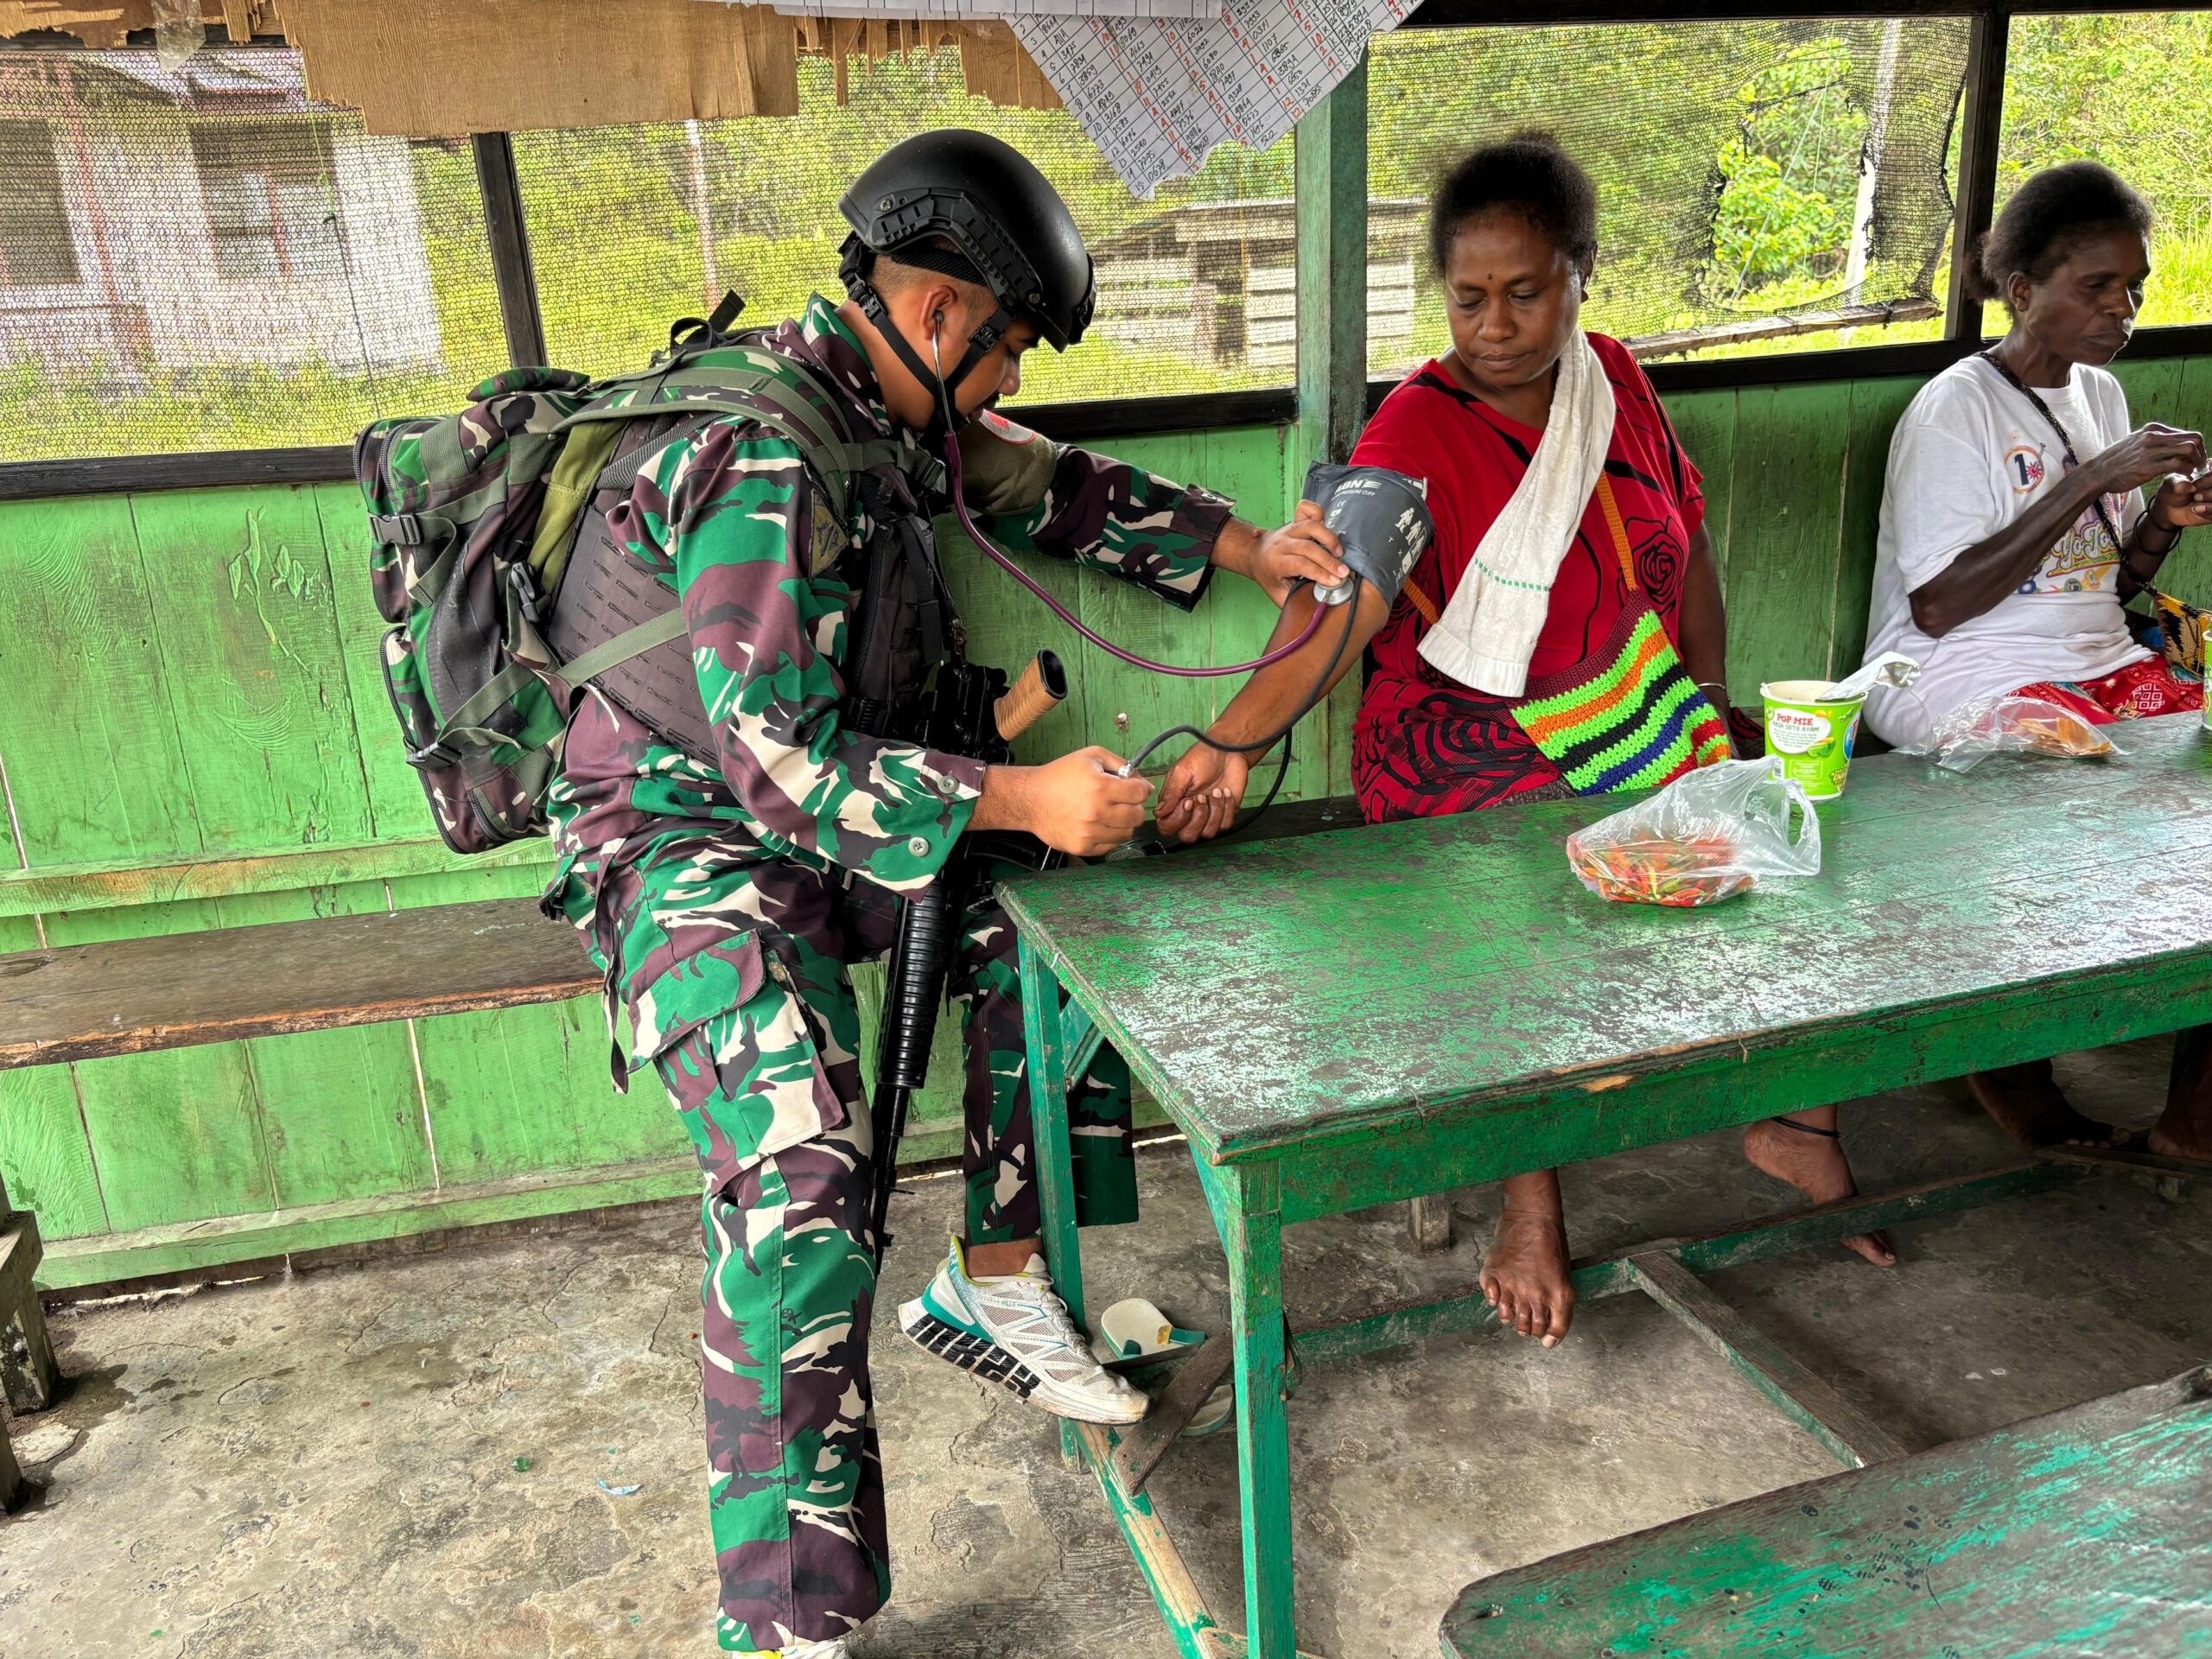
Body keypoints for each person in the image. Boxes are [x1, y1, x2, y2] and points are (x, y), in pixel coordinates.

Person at [541, 130, 1350, 1658]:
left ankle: (993, 1275)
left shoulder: (881, 413)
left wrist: (1254, 550)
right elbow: (777, 760)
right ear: (934, 319)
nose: (1008, 385)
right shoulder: (765, 452)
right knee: (800, 1184)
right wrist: (1028, 792)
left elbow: (1050, 486)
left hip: (831, 817)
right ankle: (792, 1625)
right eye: (1007, 351)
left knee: (1059, 943)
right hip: (681, 841)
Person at [1156, 131, 1897, 1353]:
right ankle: (1529, 1198)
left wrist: (1706, 708)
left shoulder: (1615, 383)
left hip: (1627, 712)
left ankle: (1799, 1126)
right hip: (1458, 737)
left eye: (1525, 291)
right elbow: (1343, 606)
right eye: (1469, 297)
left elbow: (1689, 549)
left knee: (1792, 825)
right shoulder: (1414, 428)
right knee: (1528, 895)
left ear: (1578, 277)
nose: (1494, 324)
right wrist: (1236, 741)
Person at [1859, 161, 2211, 1165]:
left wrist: (2162, 522)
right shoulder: (1954, 408)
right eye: (2096, 287)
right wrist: (2093, 476)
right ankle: (2007, 1066)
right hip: (1956, 672)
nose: (2123, 310)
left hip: (2091, 659)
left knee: (2195, 758)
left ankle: (2194, 1119)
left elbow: (2111, 587)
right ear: (2022, 290)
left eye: (2134, 287)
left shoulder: (2100, 393)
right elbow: (1939, 604)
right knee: (2060, 773)